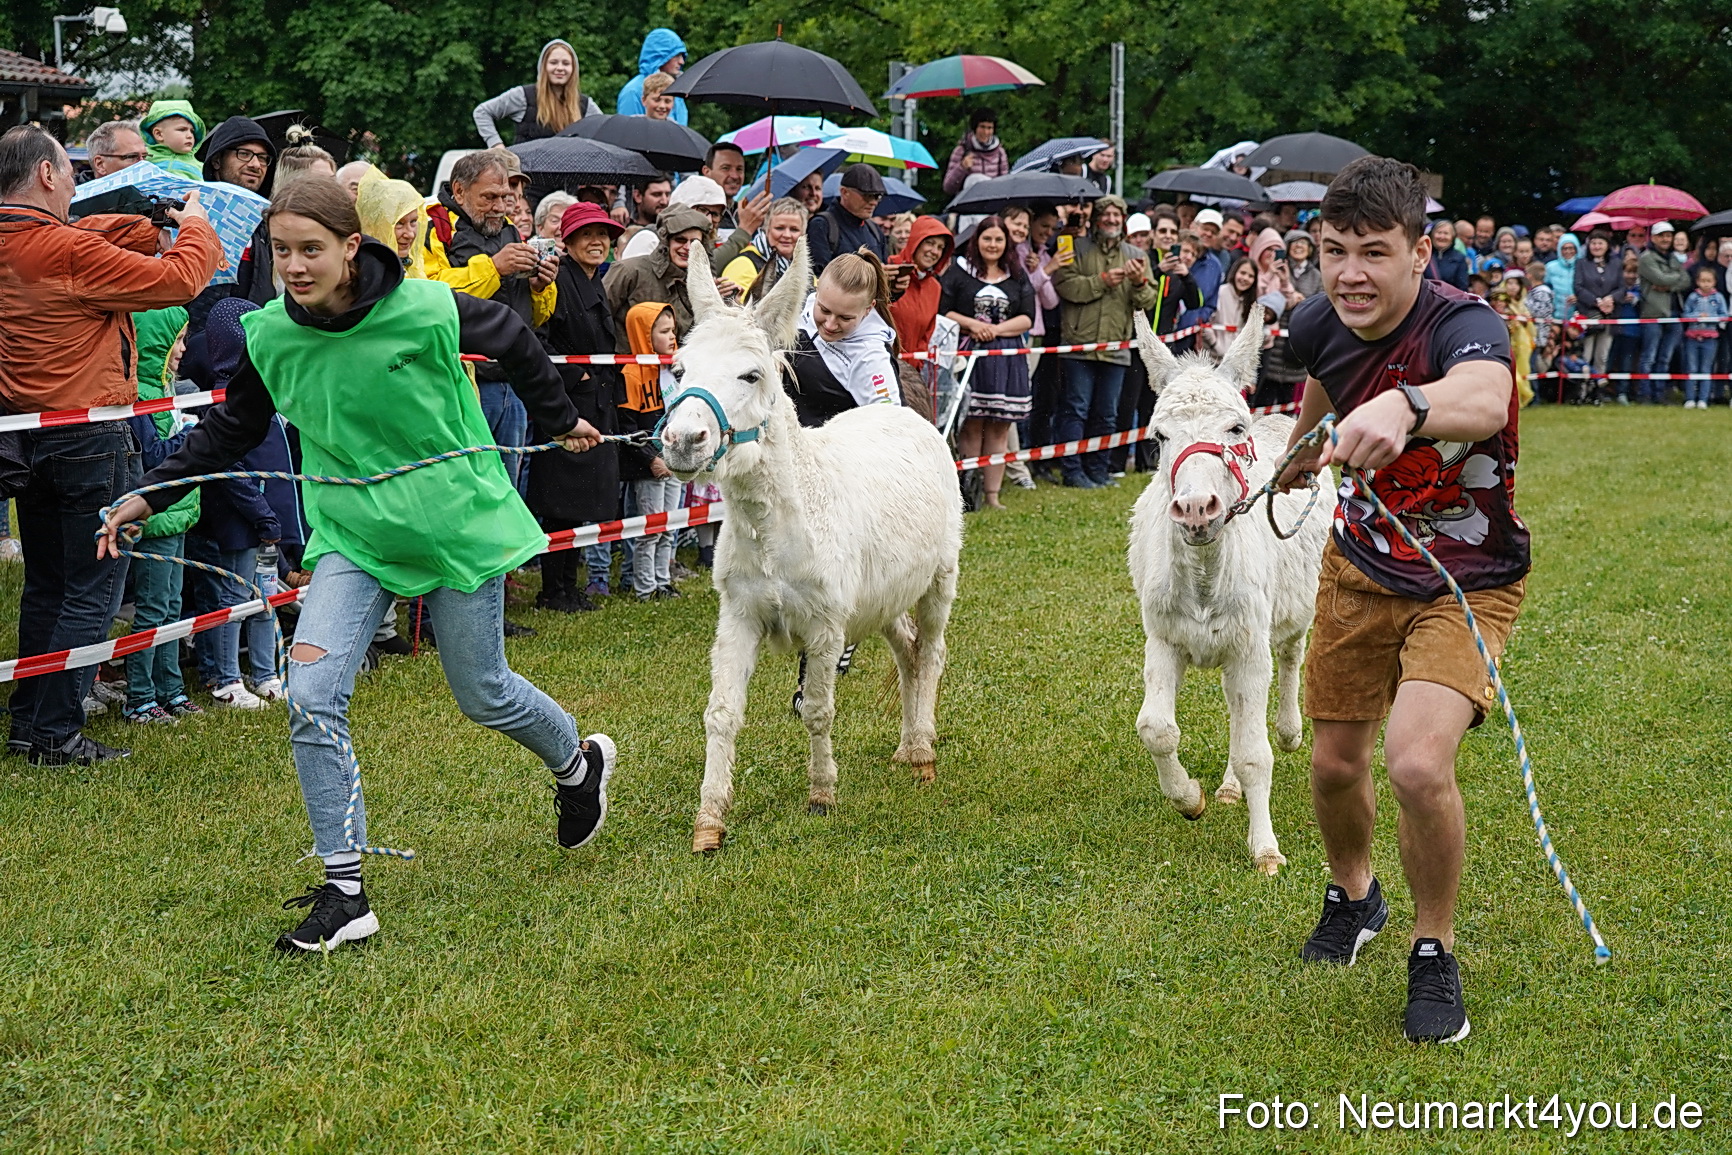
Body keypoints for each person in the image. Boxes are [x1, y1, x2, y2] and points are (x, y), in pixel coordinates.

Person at [99, 176, 615, 953]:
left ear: (351, 247)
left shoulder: (426, 307)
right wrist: (151, 489)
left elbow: (511, 335)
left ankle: (576, 764)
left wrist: (561, 417)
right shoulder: (271, 335)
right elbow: (232, 429)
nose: (296, 266)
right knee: (310, 694)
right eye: (281, 252)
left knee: (483, 691)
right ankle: (346, 892)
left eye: (312, 250)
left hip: (454, 525)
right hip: (354, 537)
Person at [1275, 156, 1526, 1046]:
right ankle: (1355, 894)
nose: (1349, 272)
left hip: (1469, 580)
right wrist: (1306, 445)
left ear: (1421, 253)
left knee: (1417, 764)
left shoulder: (1466, 325)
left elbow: (1487, 400)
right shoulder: (1318, 318)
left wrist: (1408, 406)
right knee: (1335, 764)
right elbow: (1323, 375)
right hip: (1360, 568)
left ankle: (1434, 948)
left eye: (1374, 252)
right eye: (1332, 250)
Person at [0, 126, 222, 766]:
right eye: (67, 172)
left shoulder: (30, 244)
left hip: (23, 436)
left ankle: (28, 723)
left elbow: (87, 239)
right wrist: (197, 225)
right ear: (46, 175)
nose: (74, 182)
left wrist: (144, 223)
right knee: (93, 586)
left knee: (48, 583)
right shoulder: (64, 250)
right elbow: (181, 280)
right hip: (90, 435)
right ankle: (55, 734)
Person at [424, 150, 560, 503]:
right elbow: (433, 295)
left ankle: (508, 559)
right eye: (489, 197)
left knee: (508, 485)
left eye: (505, 198)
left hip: (511, 380)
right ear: (459, 190)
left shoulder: (511, 230)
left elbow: (537, 316)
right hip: (463, 381)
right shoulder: (435, 226)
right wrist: (494, 267)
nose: (500, 206)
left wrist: (541, 287)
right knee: (467, 483)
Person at [532, 202, 626, 611]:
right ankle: (554, 590)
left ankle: (570, 587)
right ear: (566, 242)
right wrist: (576, 378)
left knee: (581, 501)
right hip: (567, 404)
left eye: (603, 235)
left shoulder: (595, 280)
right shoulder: (560, 280)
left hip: (596, 403)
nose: (597, 242)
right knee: (560, 502)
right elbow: (537, 337)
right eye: (587, 234)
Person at [121, 307, 204, 724]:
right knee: (152, 611)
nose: (184, 350)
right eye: (178, 341)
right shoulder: (141, 400)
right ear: (157, 344)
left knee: (172, 608)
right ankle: (139, 696)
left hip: (180, 513)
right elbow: (153, 458)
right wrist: (196, 438)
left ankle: (169, 688)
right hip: (155, 520)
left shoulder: (169, 391)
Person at [1051, 194, 1160, 488]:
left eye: (1117, 215)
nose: (1112, 220)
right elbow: (1064, 285)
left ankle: (1098, 470)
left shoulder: (1136, 254)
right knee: (1076, 409)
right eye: (1106, 215)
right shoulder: (1076, 247)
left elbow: (1148, 300)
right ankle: (1072, 471)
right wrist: (1101, 281)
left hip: (1116, 347)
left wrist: (1137, 283)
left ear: (1123, 221)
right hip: (1079, 344)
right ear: (1096, 219)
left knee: (1107, 414)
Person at [941, 216, 1034, 508]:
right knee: (971, 424)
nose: (992, 245)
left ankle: (993, 495)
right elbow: (944, 311)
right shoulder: (959, 272)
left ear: (1006, 243)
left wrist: (995, 330)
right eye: (987, 238)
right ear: (976, 240)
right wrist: (972, 324)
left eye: (998, 239)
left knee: (999, 426)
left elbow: (1026, 317)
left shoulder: (1017, 274)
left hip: (1006, 359)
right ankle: (968, 494)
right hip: (971, 357)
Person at [784, 252, 902, 427]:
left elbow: (893, 427)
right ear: (817, 292)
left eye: (845, 318)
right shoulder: (803, 306)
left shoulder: (871, 358)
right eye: (824, 310)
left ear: (868, 309)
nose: (830, 325)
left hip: (827, 450)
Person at [617, 303, 683, 599]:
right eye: (664, 331)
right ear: (645, 335)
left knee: (670, 526)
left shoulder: (674, 370)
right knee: (651, 527)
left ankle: (663, 580)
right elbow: (626, 426)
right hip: (649, 466)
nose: (672, 337)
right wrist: (651, 459)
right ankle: (645, 588)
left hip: (675, 460)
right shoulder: (632, 373)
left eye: (674, 331)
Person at [605, 205, 710, 342]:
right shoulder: (629, 270)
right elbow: (598, 319)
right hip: (626, 361)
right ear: (666, 241)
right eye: (680, 240)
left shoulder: (701, 283)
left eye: (695, 242)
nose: (688, 247)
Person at [472, 39, 602, 148]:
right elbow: (482, 112)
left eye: (566, 63)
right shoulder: (523, 96)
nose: (560, 68)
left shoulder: (585, 105)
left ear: (573, 69)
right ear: (543, 66)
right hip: (527, 175)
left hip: (569, 176)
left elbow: (604, 130)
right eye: (553, 62)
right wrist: (496, 146)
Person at [887, 214, 955, 363]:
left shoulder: (935, 288)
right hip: (879, 368)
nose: (934, 251)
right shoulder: (888, 271)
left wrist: (916, 365)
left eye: (940, 247)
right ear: (915, 241)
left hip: (910, 373)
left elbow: (926, 335)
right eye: (930, 243)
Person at [1636, 221, 1690, 402]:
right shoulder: (1646, 258)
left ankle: (1659, 394)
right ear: (1653, 238)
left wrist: (1668, 286)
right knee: (1649, 357)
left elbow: (1686, 280)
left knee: (1665, 358)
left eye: (1668, 235)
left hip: (1674, 312)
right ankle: (1645, 394)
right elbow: (1659, 277)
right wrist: (1673, 279)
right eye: (1662, 236)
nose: (1666, 239)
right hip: (1654, 313)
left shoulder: (1673, 258)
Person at [721, 197, 808, 301]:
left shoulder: (803, 267)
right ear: (766, 230)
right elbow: (734, 311)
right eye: (779, 228)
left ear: (803, 234)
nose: (787, 235)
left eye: (794, 229)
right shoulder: (744, 264)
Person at [808, 164, 889, 272]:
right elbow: (818, 278)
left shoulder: (874, 230)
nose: (873, 202)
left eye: (877, 196)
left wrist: (893, 283)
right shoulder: (822, 225)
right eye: (867, 195)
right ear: (844, 192)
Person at [357, 174, 429, 278]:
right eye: (399, 223)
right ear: (373, 224)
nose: (410, 234)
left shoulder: (414, 265)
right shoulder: (362, 274)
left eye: (413, 221)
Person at [1572, 229, 1620, 380]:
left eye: (1600, 243)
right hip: (1587, 315)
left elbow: (1622, 287)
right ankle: (1583, 389)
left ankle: (1598, 389)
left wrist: (1610, 299)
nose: (1596, 246)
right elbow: (1578, 287)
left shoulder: (1616, 264)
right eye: (1593, 243)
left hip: (1609, 316)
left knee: (1602, 355)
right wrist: (1597, 301)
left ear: (1607, 245)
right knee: (1586, 354)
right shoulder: (1581, 263)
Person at [617, 29, 689, 125]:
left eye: (682, 56)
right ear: (659, 56)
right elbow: (627, 132)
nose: (681, 62)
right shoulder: (633, 91)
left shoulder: (676, 89)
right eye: (676, 55)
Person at [1679, 266, 1727, 409]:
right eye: (1703, 281)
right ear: (1697, 282)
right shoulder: (1693, 297)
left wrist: (1711, 318)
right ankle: (1690, 398)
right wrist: (1696, 317)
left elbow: (1723, 316)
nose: (1705, 284)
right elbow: (1685, 315)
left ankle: (1703, 399)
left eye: (1709, 281)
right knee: (1691, 368)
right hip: (1692, 338)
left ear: (1714, 282)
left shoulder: (1718, 297)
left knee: (1706, 369)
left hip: (1710, 338)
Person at [1201, 256, 1265, 362]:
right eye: (1242, 273)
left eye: (1250, 276)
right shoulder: (1221, 292)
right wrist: (1216, 345)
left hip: (1235, 363)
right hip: (1212, 359)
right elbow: (1206, 323)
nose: (1245, 278)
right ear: (1235, 272)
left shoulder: (1250, 301)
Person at [943, 108, 1011, 197]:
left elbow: (1005, 186)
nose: (986, 132)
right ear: (975, 128)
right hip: (966, 203)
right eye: (982, 127)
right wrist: (962, 167)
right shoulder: (961, 151)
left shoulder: (1000, 153)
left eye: (989, 128)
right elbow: (948, 188)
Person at [140, 100, 206, 180]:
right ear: (159, 134)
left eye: (192, 131)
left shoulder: (200, 167)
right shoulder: (143, 157)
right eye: (182, 130)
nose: (190, 136)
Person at [1543, 233, 1579, 324]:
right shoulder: (1550, 267)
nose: (1568, 251)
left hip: (1576, 316)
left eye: (1571, 248)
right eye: (1564, 248)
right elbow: (1545, 287)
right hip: (1555, 316)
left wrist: (1578, 296)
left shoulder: (1582, 266)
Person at [1425, 220, 1468, 289]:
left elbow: (1462, 287)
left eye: (1446, 233)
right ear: (1432, 235)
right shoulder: (1423, 255)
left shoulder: (1459, 258)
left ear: (1452, 237)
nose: (1442, 236)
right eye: (1439, 232)